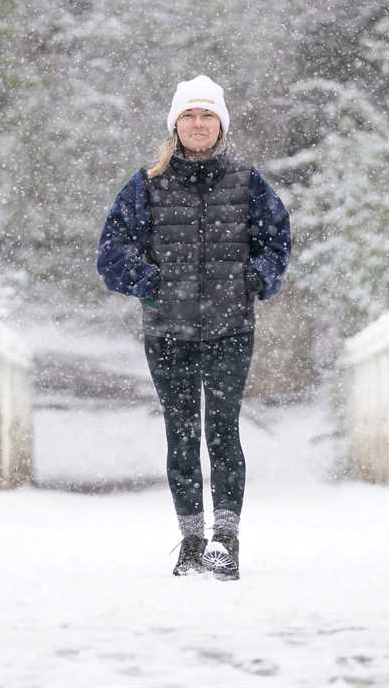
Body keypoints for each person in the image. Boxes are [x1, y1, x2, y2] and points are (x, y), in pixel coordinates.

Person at [96, 74, 291, 581]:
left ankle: (226, 541)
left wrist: (255, 278)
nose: (198, 124)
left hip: (231, 329)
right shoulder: (146, 185)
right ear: (175, 125)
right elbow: (111, 253)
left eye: (207, 115)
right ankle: (191, 540)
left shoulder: (249, 184)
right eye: (189, 115)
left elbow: (278, 243)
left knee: (222, 432)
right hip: (167, 333)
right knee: (181, 437)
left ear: (220, 124)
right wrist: (151, 283)